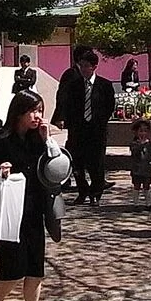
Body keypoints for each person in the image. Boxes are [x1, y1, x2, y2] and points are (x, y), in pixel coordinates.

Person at [0, 90, 53, 301]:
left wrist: (46, 141)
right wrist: (0, 170)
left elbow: (53, 171)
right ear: (20, 112)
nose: (38, 116)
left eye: (40, 110)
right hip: (9, 211)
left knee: (36, 268)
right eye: (33, 111)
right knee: (13, 269)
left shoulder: (38, 139)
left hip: (35, 209)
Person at [56, 49, 115, 206]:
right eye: (81, 65)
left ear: (94, 66)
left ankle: (96, 194)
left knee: (96, 164)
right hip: (78, 130)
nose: (83, 69)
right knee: (77, 164)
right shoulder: (74, 85)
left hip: (96, 131)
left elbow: (109, 107)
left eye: (86, 66)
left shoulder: (105, 85)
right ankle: (83, 192)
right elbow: (68, 105)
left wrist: (99, 121)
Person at [128, 118, 151, 210]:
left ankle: (148, 204)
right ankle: (135, 203)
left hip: (147, 169)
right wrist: (141, 144)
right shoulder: (134, 143)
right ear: (136, 132)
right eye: (141, 131)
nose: (143, 134)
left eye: (145, 131)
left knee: (147, 186)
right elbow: (135, 151)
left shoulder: (150, 143)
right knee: (136, 186)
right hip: (137, 169)